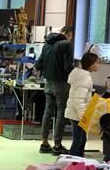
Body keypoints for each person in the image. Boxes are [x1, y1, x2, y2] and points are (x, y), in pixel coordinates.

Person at [37, 26, 75, 155]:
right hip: (61, 83)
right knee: (60, 113)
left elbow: (39, 64)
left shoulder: (47, 44)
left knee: (47, 112)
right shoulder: (66, 44)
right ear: (69, 34)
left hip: (48, 82)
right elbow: (68, 66)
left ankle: (44, 143)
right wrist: (76, 73)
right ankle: (57, 145)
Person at [65, 52, 100, 157]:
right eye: (97, 63)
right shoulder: (84, 78)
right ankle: (73, 161)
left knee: (81, 139)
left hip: (76, 113)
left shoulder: (81, 75)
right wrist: (83, 117)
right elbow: (79, 99)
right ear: (90, 64)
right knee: (78, 141)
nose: (98, 65)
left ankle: (78, 160)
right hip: (78, 114)